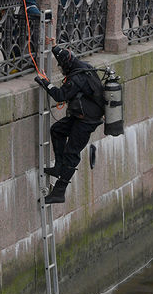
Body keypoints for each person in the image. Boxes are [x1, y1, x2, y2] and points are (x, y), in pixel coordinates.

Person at [34, 45, 104, 204]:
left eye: (60, 66)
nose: (60, 69)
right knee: (57, 130)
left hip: (87, 121)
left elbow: (60, 96)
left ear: (66, 64)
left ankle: (59, 192)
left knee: (72, 153)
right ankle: (59, 166)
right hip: (81, 115)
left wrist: (46, 83)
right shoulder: (84, 67)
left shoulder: (77, 78)